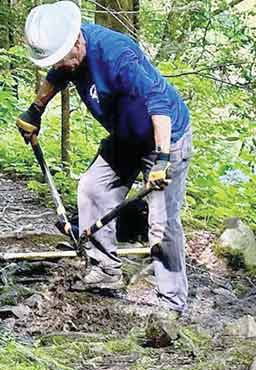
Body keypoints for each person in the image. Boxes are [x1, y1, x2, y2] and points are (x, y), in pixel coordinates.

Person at [16, 0, 193, 313]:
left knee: (162, 223)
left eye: (62, 59)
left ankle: (171, 302)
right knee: (93, 188)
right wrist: (36, 109)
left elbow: (159, 104)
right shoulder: (69, 57)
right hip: (126, 136)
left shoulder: (116, 54)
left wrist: (163, 158)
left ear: (77, 41)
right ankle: (106, 270)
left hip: (164, 135)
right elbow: (58, 76)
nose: (60, 66)